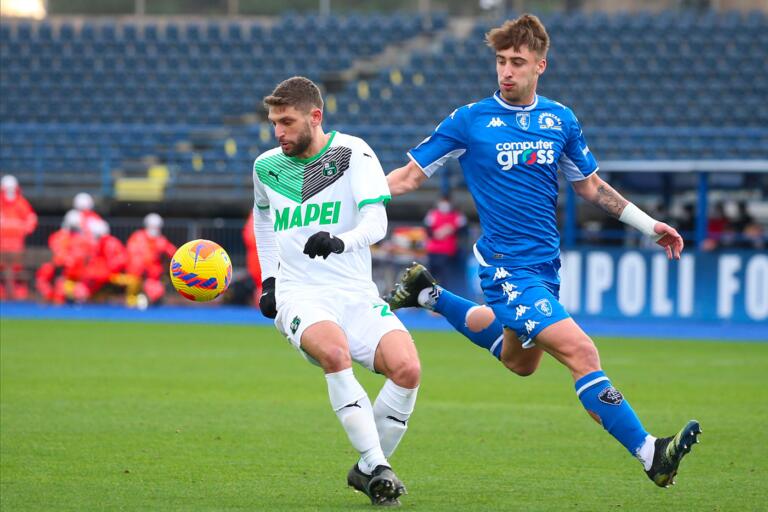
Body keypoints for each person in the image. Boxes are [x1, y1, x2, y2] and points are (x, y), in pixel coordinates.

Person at [384, 14, 700, 488]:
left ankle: (427, 294)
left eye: (517, 62)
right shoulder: (469, 120)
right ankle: (650, 451)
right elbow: (409, 175)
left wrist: (647, 224)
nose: (506, 71)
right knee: (581, 352)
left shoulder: (560, 119)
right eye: (500, 62)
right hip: (506, 269)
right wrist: (352, 198)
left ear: (540, 66)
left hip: (545, 267)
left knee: (520, 362)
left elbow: (590, 186)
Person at [253, 77, 420, 505]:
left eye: (287, 122)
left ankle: (366, 470)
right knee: (334, 351)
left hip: (356, 293)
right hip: (301, 295)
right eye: (274, 123)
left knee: (407, 369)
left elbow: (377, 222)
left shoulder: (353, 153)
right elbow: (263, 218)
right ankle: (378, 465)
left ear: (315, 117)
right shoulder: (266, 166)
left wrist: (338, 241)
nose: (278, 132)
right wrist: (270, 280)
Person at [124, 213, 177, 307]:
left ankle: (145, 299)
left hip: (153, 277)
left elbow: (174, 253)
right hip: (137, 275)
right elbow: (132, 257)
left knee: (157, 292)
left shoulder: (161, 240)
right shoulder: (137, 237)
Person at [0, 175, 37, 300]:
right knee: (4, 268)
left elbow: (31, 220)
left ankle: (16, 293)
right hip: (1, 244)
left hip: (16, 244)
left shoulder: (21, 202)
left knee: (15, 268)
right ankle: (5, 292)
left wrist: (22, 229)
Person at [423, 194, 467, 291]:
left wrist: (452, 230)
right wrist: (437, 233)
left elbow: (463, 231)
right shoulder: (432, 214)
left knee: (445, 279)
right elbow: (428, 230)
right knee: (431, 278)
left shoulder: (457, 216)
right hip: (433, 251)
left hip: (448, 253)